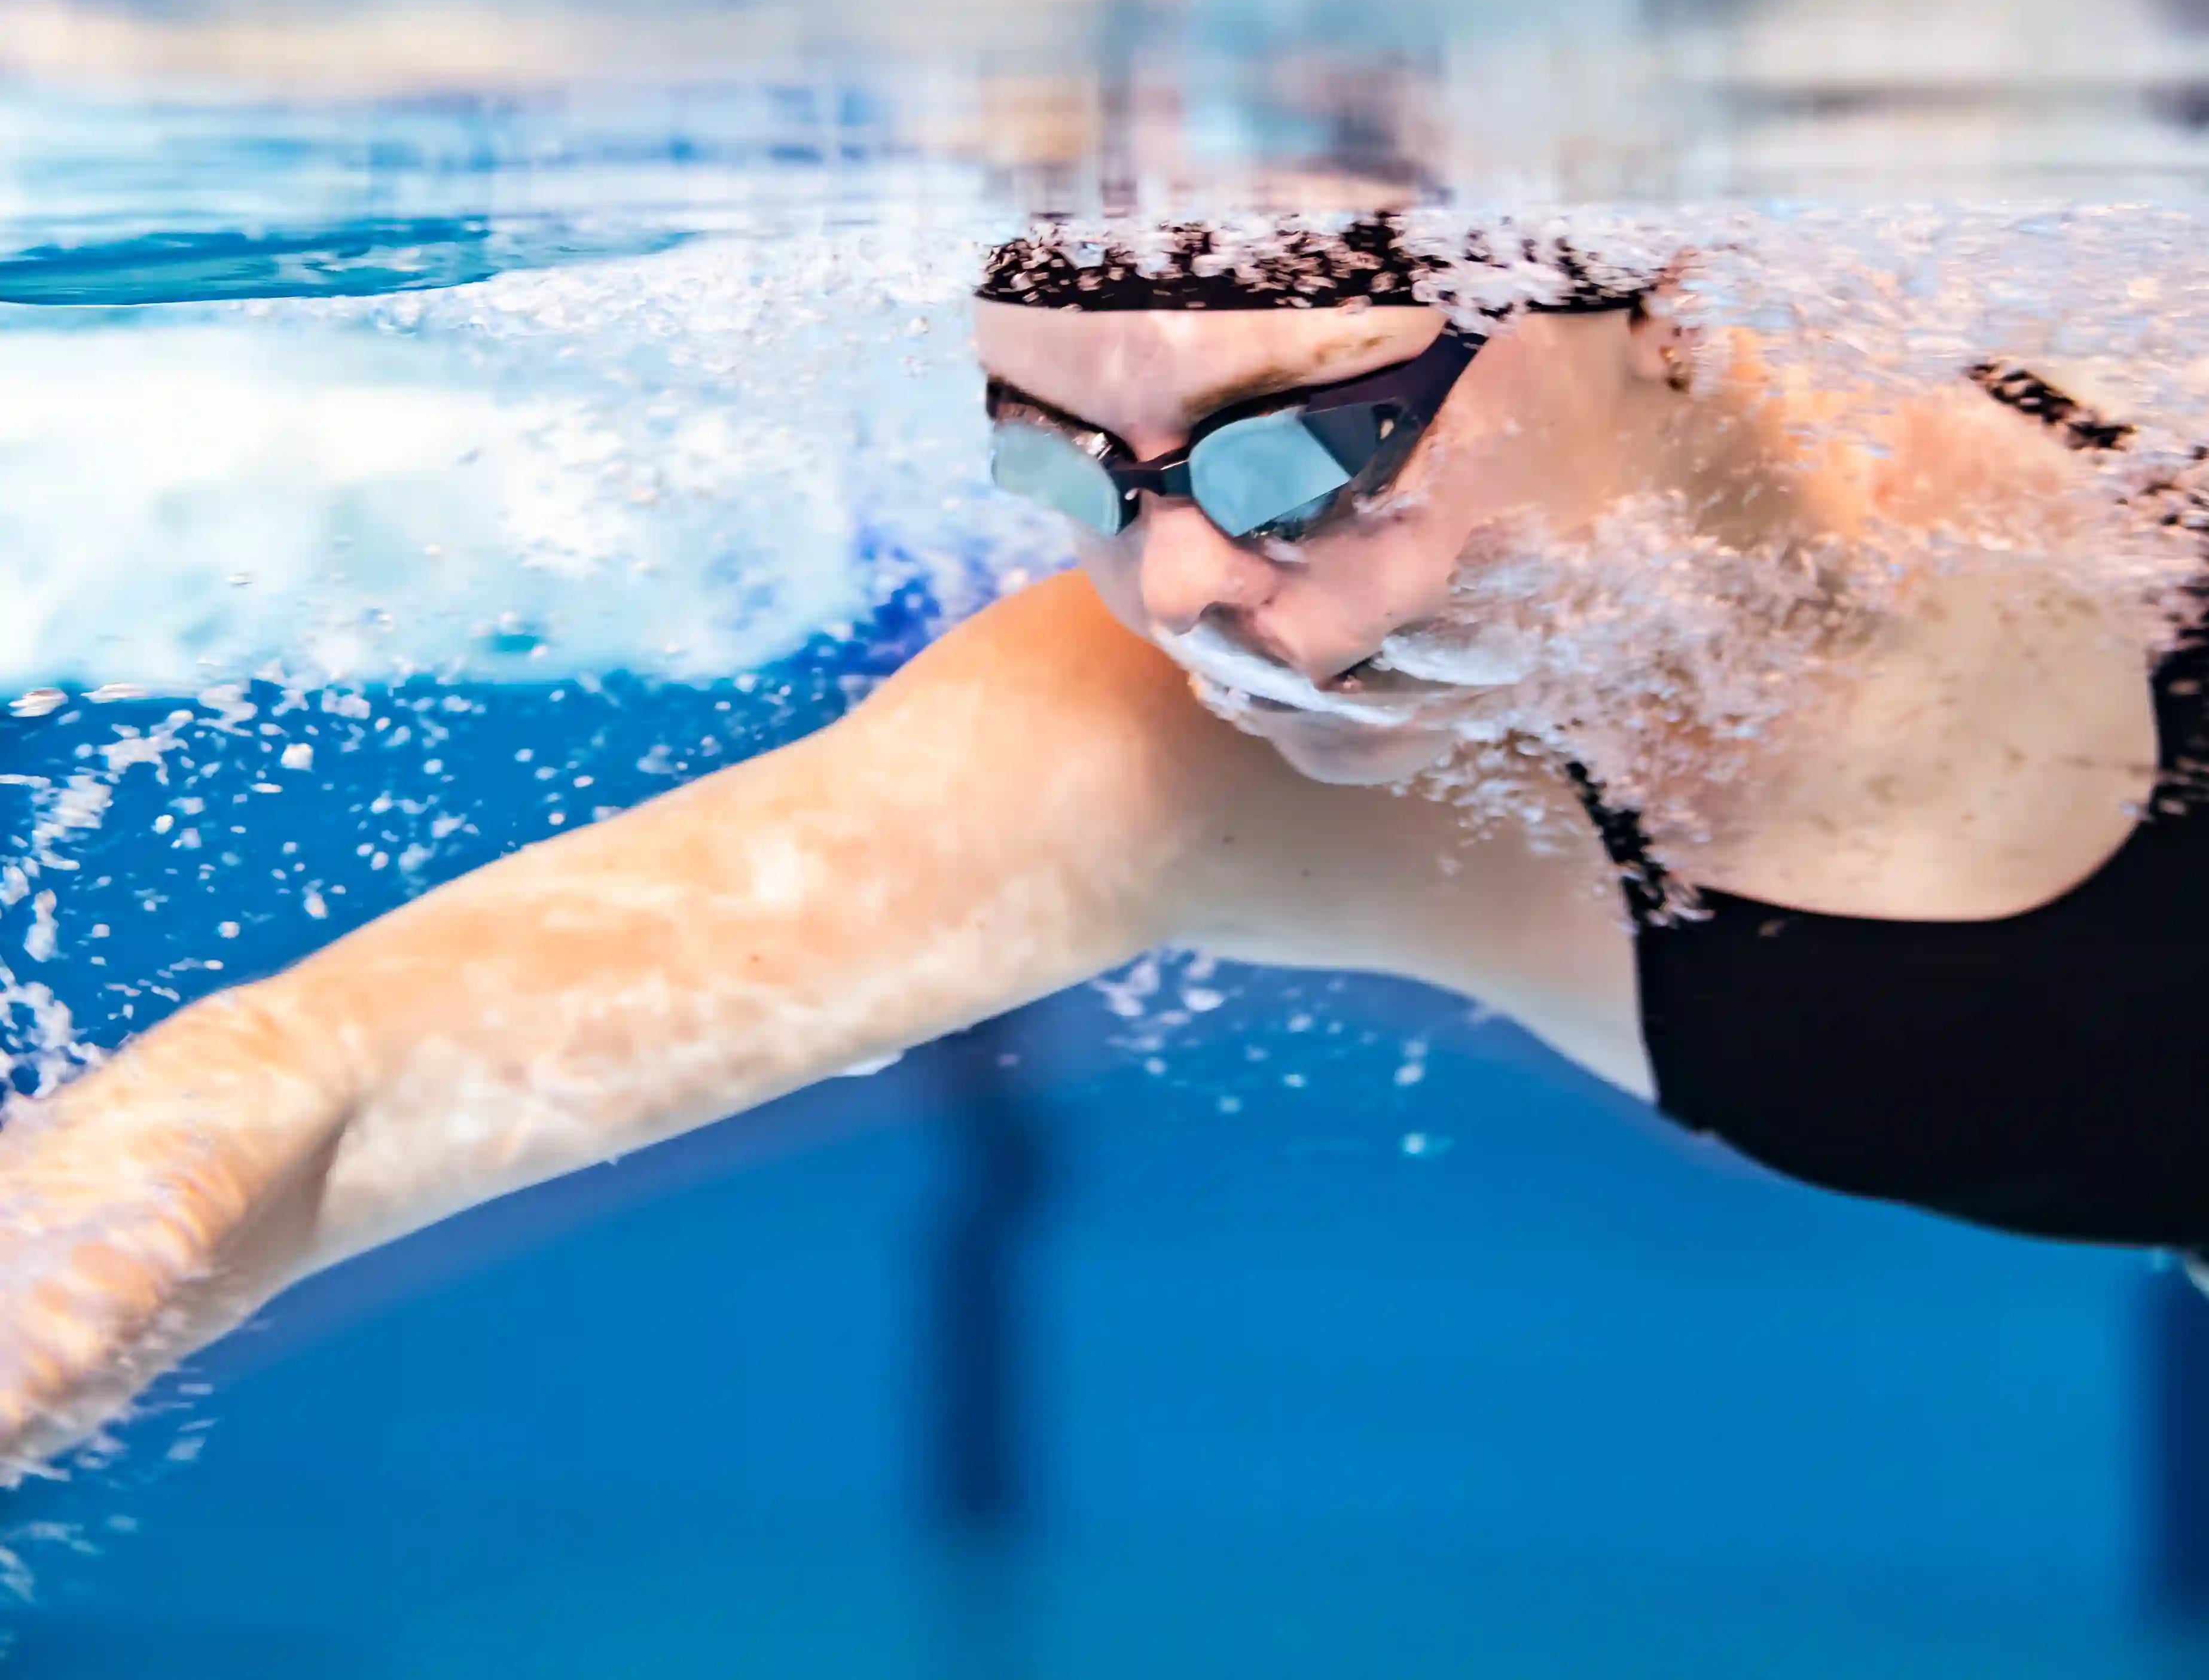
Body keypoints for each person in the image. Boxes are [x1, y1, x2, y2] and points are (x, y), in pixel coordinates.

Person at [1, 188, 2204, 1481]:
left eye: (1305, 445)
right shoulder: (1192, 745)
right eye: (1075, 470)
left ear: (1669, 307)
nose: (1184, 585)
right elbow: (346, 1076)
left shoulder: (2156, 412)